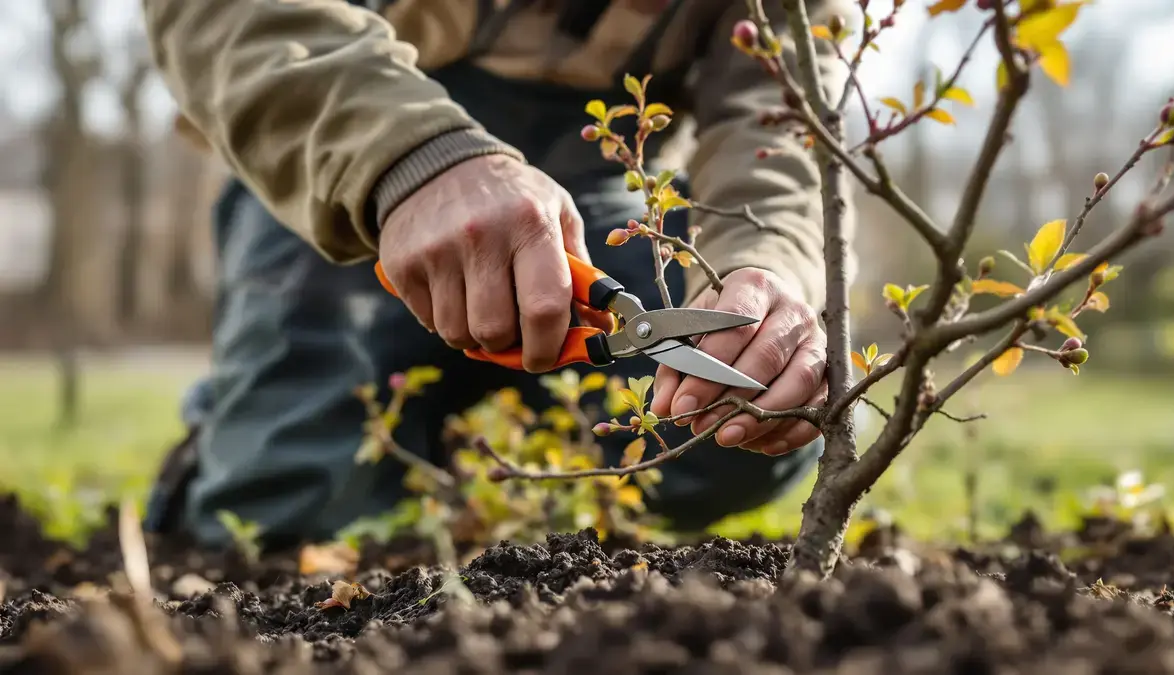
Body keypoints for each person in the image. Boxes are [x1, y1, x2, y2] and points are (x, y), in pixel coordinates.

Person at [139, 0, 858, 550]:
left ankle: (475, 459)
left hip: (595, 188)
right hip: (346, 154)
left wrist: (767, 267)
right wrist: (415, 158)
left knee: (755, 417)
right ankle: (316, 431)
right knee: (279, 510)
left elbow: (780, 112)